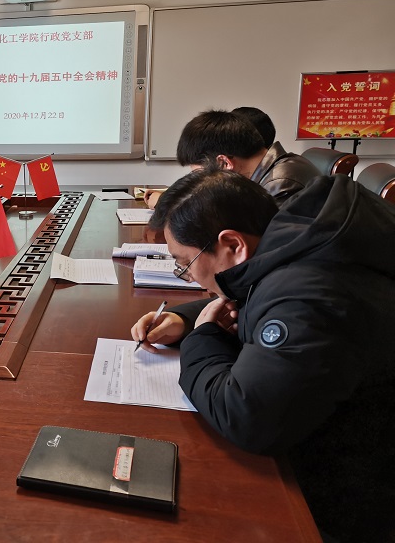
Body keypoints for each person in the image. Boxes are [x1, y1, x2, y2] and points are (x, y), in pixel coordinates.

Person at [130, 166, 395, 542]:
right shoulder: (292, 239)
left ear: (233, 244)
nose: (188, 277)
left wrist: (201, 338)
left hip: (345, 499)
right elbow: (250, 290)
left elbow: (248, 418)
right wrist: (183, 319)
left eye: (185, 264)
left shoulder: (309, 297)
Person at [175, 109, 320, 205]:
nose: (201, 182)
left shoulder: (280, 186)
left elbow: (255, 239)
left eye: (200, 174)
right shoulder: (274, 170)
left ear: (224, 163)